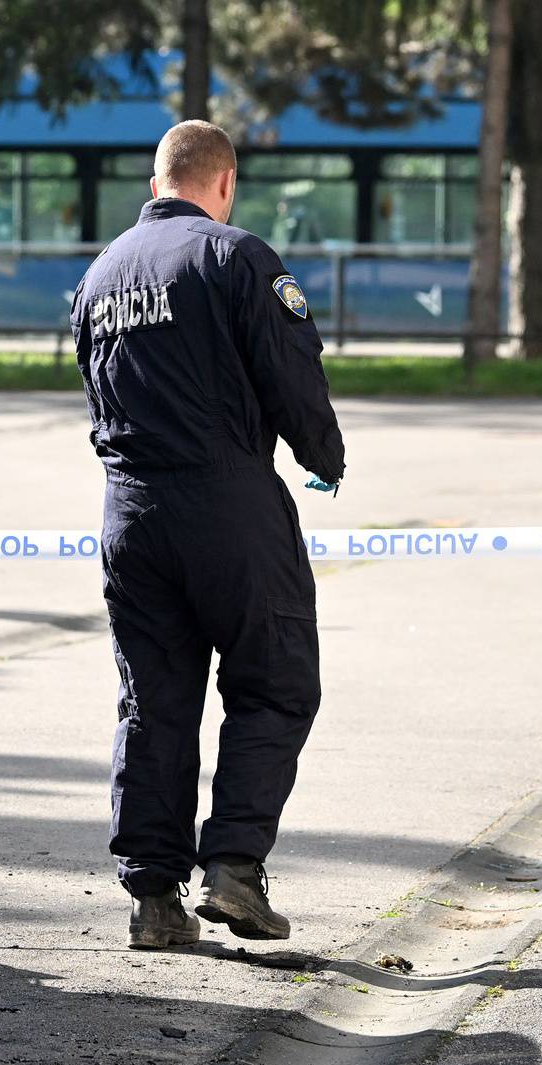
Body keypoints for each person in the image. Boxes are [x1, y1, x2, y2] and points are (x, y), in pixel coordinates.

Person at [69, 121, 346, 951]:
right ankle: (233, 867)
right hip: (227, 503)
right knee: (275, 681)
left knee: (153, 702)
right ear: (222, 183)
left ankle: (153, 898)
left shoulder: (99, 274)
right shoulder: (234, 256)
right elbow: (289, 366)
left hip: (129, 511)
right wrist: (323, 456)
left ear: (158, 183)